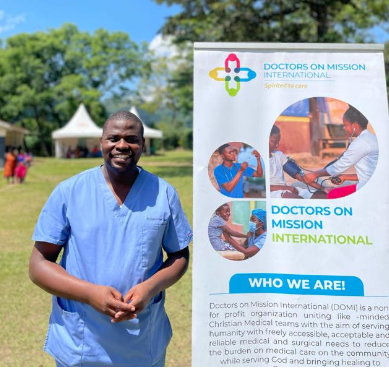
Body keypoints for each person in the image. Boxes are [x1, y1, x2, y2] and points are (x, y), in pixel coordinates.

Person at [29, 111, 192, 367]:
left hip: (142, 340)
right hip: (82, 341)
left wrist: (149, 289)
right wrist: (89, 294)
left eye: (131, 138)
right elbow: (39, 266)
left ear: (143, 145)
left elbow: (179, 255)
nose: (122, 145)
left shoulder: (164, 193)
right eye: (113, 138)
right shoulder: (70, 192)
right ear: (102, 142)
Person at [302, 105, 378, 199]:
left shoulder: (361, 143)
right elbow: (370, 173)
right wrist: (345, 177)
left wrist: (315, 174)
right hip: (373, 183)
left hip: (369, 188)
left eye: (345, 125)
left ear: (354, 126)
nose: (344, 128)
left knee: (332, 194)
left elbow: (338, 167)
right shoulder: (371, 138)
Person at [269, 125, 327, 199]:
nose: (277, 145)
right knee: (298, 200)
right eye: (274, 141)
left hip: (285, 190)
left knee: (322, 196)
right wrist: (286, 188)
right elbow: (262, 187)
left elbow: (300, 176)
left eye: (278, 141)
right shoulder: (258, 159)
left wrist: (323, 188)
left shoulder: (279, 155)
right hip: (271, 194)